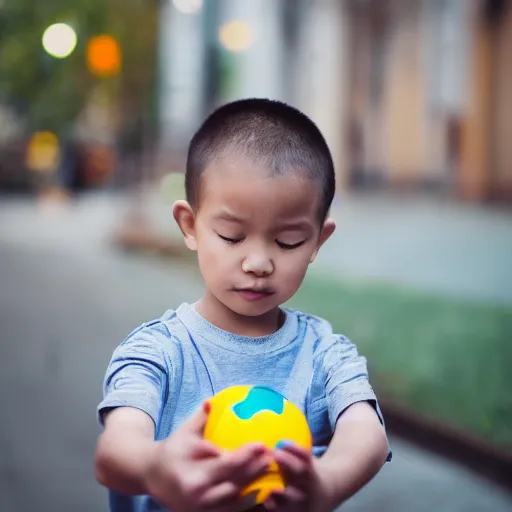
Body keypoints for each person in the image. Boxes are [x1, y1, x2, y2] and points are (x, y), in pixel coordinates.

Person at [95, 98, 391, 512]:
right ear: (190, 225)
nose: (258, 263)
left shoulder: (324, 353)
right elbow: (115, 449)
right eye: (232, 237)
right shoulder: (157, 352)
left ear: (317, 243)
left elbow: (367, 433)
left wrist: (327, 481)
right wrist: (155, 467)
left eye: (288, 241)